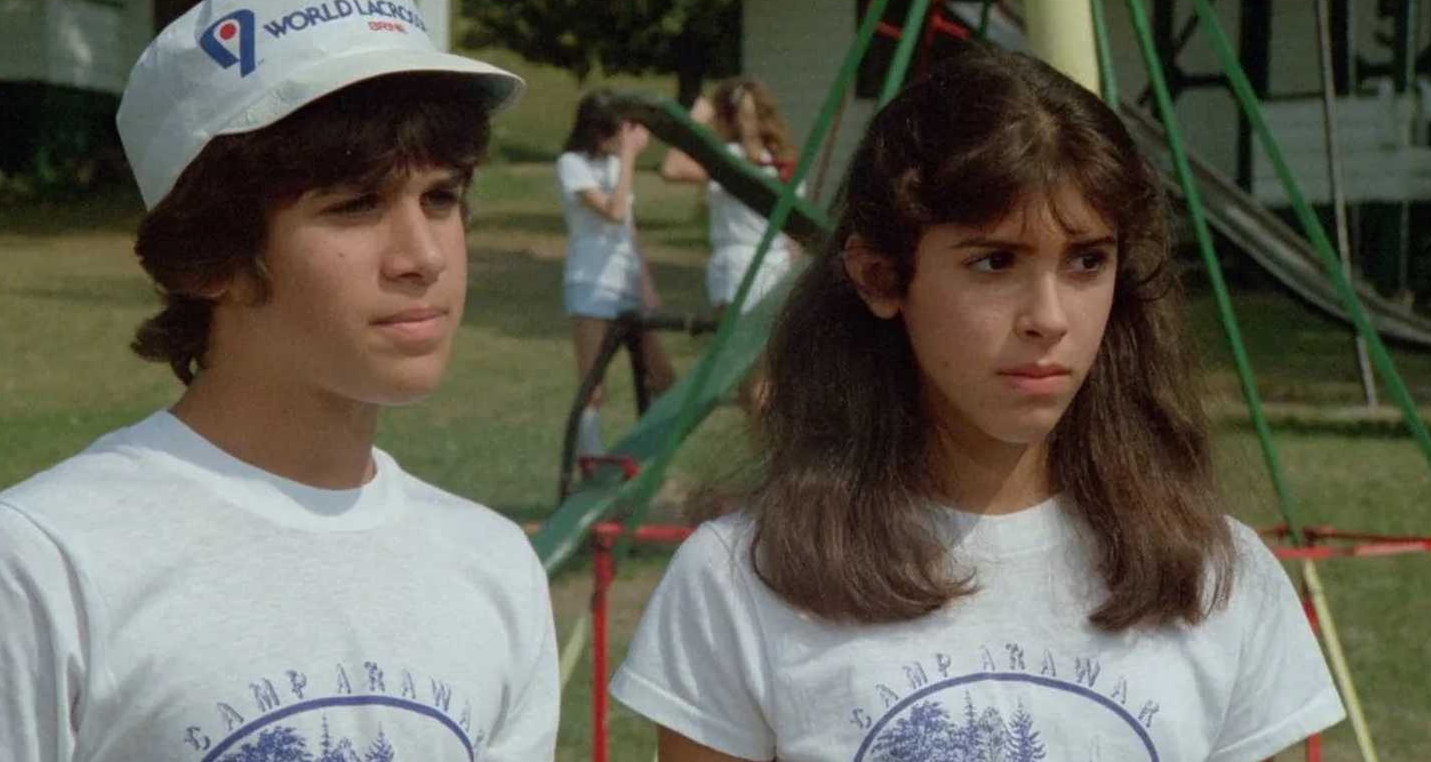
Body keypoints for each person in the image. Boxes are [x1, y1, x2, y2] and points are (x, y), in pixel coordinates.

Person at [0, 0, 557, 762]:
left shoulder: (494, 566)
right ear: (211, 259)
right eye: (354, 207)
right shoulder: (46, 562)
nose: (423, 256)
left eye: (442, 198)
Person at [610, 48, 1345, 762]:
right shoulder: (743, 580)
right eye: (995, 261)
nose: (1049, 317)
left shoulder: (1217, 575)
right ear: (879, 276)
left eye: (1087, 259)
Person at [556, 91, 676, 456]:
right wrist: (628, 157)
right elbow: (613, 210)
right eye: (615, 134)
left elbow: (629, 228)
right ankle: (591, 466)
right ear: (596, 132)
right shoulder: (571, 164)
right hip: (590, 283)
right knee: (593, 385)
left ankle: (648, 458)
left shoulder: (615, 163)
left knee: (664, 378)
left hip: (627, 282)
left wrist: (647, 283)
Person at [659, 76, 802, 315]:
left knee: (737, 350)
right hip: (778, 267)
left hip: (738, 269)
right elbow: (793, 236)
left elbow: (671, 168)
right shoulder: (783, 161)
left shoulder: (729, 158)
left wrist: (693, 121)